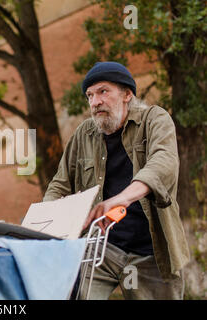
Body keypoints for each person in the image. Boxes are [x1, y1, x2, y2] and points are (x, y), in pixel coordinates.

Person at [43, 61, 190, 300]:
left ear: (127, 94)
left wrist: (121, 199)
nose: (95, 102)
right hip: (101, 247)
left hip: (152, 252)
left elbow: (163, 165)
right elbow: (60, 185)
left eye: (103, 91)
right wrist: (44, 224)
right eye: (89, 96)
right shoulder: (83, 134)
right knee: (67, 292)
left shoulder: (155, 120)